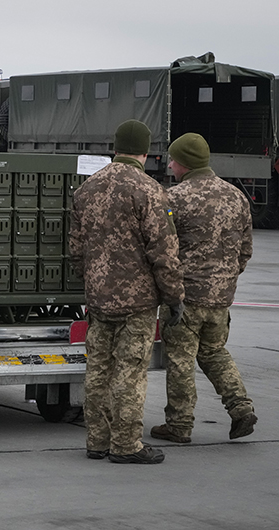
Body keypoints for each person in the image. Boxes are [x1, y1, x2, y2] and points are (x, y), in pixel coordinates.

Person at [69, 119, 184, 464]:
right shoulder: (150, 190)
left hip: (99, 299)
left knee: (98, 371)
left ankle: (97, 441)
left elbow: (76, 250)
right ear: (146, 152)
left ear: (114, 148)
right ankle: (126, 445)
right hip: (138, 301)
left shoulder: (86, 189)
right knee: (130, 372)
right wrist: (174, 295)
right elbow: (163, 251)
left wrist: (92, 281)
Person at [150, 133, 256, 444]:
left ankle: (179, 424)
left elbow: (163, 250)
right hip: (220, 298)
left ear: (183, 163)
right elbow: (245, 250)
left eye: (172, 159)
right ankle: (241, 407)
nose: (169, 164)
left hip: (185, 297)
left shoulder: (175, 198)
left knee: (181, 358)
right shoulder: (236, 196)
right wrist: (224, 280)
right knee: (214, 352)